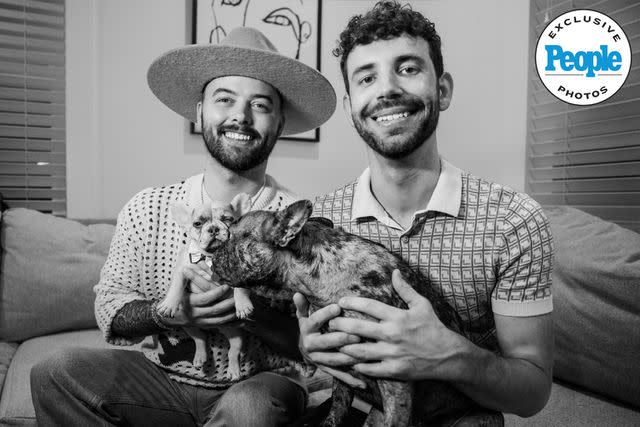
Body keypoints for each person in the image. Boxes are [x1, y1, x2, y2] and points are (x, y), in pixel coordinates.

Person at [30, 27, 336, 427]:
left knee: (249, 409)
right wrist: (170, 313)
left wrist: (248, 311)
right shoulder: (148, 208)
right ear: (199, 113)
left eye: (259, 105)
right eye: (224, 100)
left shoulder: (297, 224)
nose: (240, 116)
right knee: (54, 372)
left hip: (262, 384)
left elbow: (316, 344)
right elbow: (110, 309)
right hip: (161, 380)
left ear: (279, 123)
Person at [293, 1, 554, 424]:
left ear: (443, 89)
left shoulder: (513, 221)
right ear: (349, 107)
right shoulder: (320, 222)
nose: (387, 89)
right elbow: (310, 347)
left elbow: (532, 394)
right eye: (367, 77)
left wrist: (450, 355)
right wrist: (310, 346)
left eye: (408, 68)